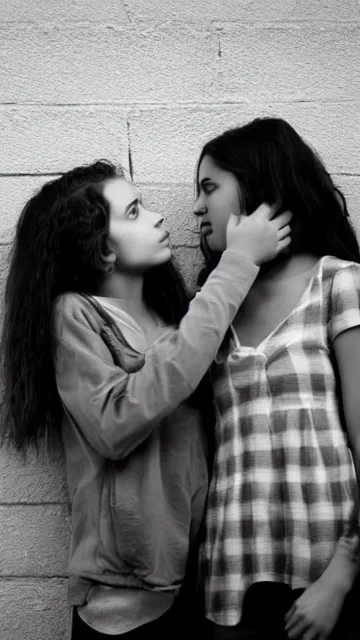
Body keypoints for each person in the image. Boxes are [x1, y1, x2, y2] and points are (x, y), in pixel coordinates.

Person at [0, 159, 291, 638]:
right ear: (104, 251)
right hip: (123, 601)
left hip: (197, 582)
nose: (155, 217)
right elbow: (115, 423)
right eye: (133, 212)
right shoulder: (77, 316)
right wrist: (238, 264)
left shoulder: (173, 321)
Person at [193, 117, 360, 640]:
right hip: (232, 577)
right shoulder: (213, 306)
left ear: (256, 183)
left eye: (209, 187)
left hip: (328, 575)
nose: (197, 207)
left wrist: (343, 574)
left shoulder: (338, 281)